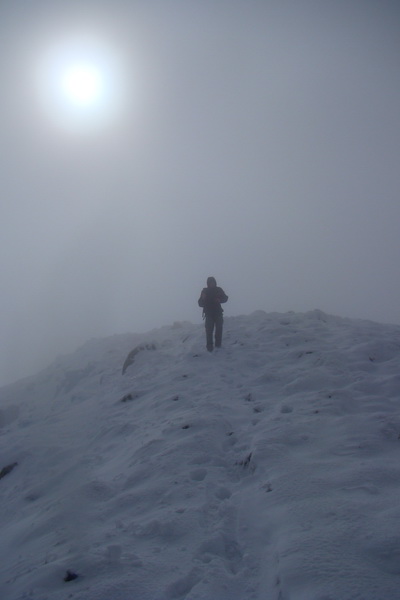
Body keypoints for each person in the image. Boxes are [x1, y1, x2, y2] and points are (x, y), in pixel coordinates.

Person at [198, 277, 228, 352]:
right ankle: (209, 348)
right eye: (210, 282)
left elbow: (225, 298)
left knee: (219, 329)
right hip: (208, 314)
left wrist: (220, 299)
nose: (212, 284)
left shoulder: (218, 290)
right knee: (209, 331)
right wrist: (203, 298)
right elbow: (200, 303)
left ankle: (218, 346)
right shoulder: (204, 291)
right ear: (208, 283)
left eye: (213, 282)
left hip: (218, 313)